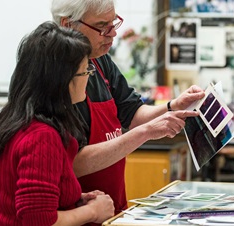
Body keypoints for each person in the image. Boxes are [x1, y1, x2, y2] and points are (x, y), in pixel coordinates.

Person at [51, 0, 205, 215]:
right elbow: (71, 163)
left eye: (114, 23)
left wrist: (172, 105)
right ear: (68, 25)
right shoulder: (51, 77)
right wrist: (145, 133)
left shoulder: (99, 60)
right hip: (77, 212)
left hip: (110, 206)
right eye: (102, 26)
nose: (113, 33)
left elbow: (132, 112)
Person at [0, 22, 114, 226]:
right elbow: (39, 221)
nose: (88, 79)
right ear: (62, 81)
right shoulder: (42, 137)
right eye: (85, 72)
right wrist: (92, 212)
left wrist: (74, 199)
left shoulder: (16, 118)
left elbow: (33, 202)